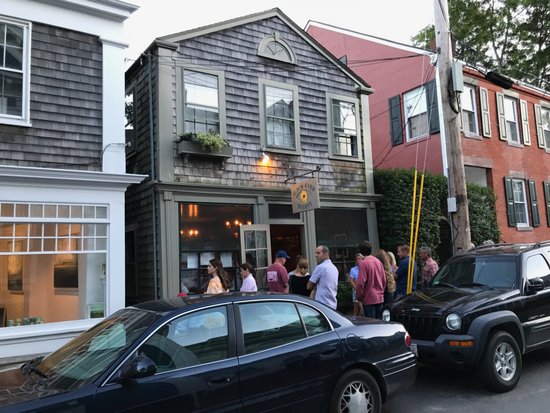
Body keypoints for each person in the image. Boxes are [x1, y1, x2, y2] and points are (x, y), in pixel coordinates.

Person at [355, 241, 386, 319]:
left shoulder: (363, 263)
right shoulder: (378, 261)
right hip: (379, 296)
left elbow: (360, 283)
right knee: (379, 321)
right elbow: (384, 279)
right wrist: (382, 291)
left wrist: (359, 296)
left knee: (370, 322)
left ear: (360, 251)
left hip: (368, 298)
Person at [307, 245, 339, 309]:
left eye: (318, 253)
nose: (315, 255)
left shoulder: (320, 267)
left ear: (326, 254)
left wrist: (315, 285)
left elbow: (309, 286)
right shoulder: (334, 268)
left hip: (322, 304)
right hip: (332, 304)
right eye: (316, 253)